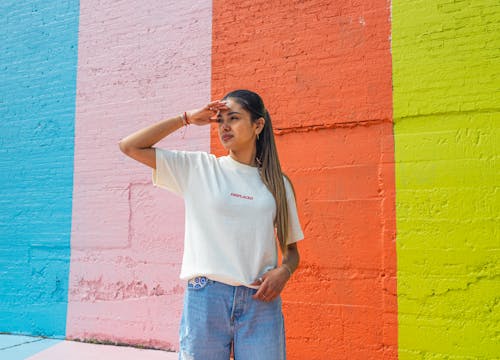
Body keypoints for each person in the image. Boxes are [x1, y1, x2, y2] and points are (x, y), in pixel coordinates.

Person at [118, 89, 304, 360]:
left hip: (260, 303)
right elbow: (129, 146)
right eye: (220, 120)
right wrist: (186, 118)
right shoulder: (199, 168)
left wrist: (284, 272)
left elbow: (292, 253)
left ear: (258, 125)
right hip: (206, 298)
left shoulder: (278, 184)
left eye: (234, 118)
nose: (224, 126)